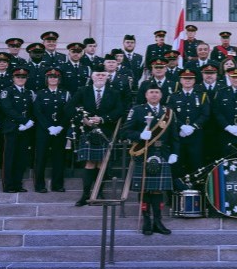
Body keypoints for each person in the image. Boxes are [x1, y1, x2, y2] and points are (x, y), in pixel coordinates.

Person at [124, 87, 179, 235]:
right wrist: (140, 135)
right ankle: (146, 220)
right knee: (144, 188)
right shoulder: (137, 110)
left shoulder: (168, 112)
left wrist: (174, 153)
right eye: (151, 92)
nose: (154, 95)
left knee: (157, 189)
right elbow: (126, 131)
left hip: (162, 152)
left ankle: (158, 221)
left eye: (157, 92)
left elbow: (174, 135)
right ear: (146, 95)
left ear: (161, 95)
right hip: (144, 152)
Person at [71, 69, 125, 206]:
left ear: (107, 77)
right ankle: (85, 194)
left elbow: (119, 110)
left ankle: (98, 193)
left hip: (105, 131)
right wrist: (83, 119)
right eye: (97, 75)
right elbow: (69, 107)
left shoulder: (114, 93)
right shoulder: (83, 90)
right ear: (92, 76)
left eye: (103, 75)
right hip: (88, 131)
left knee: (102, 162)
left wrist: (103, 119)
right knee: (89, 162)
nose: (100, 77)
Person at [168, 68, 210, 188]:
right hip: (179, 137)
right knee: (178, 165)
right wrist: (181, 126)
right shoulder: (173, 97)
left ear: (194, 81)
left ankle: (197, 195)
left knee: (196, 165)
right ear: (180, 80)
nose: (187, 81)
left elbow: (205, 114)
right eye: (185, 79)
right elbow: (171, 114)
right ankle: (176, 195)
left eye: (190, 79)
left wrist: (193, 127)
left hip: (196, 137)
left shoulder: (201, 96)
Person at [0, 67, 36, 193]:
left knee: (21, 158)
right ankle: (8, 185)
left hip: (25, 130)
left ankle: (18, 183)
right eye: (18, 77)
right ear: (13, 78)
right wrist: (24, 121)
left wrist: (29, 122)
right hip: (12, 128)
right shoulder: (7, 91)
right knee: (10, 158)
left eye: (23, 77)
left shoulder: (29, 92)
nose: (21, 79)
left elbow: (32, 109)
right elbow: (7, 109)